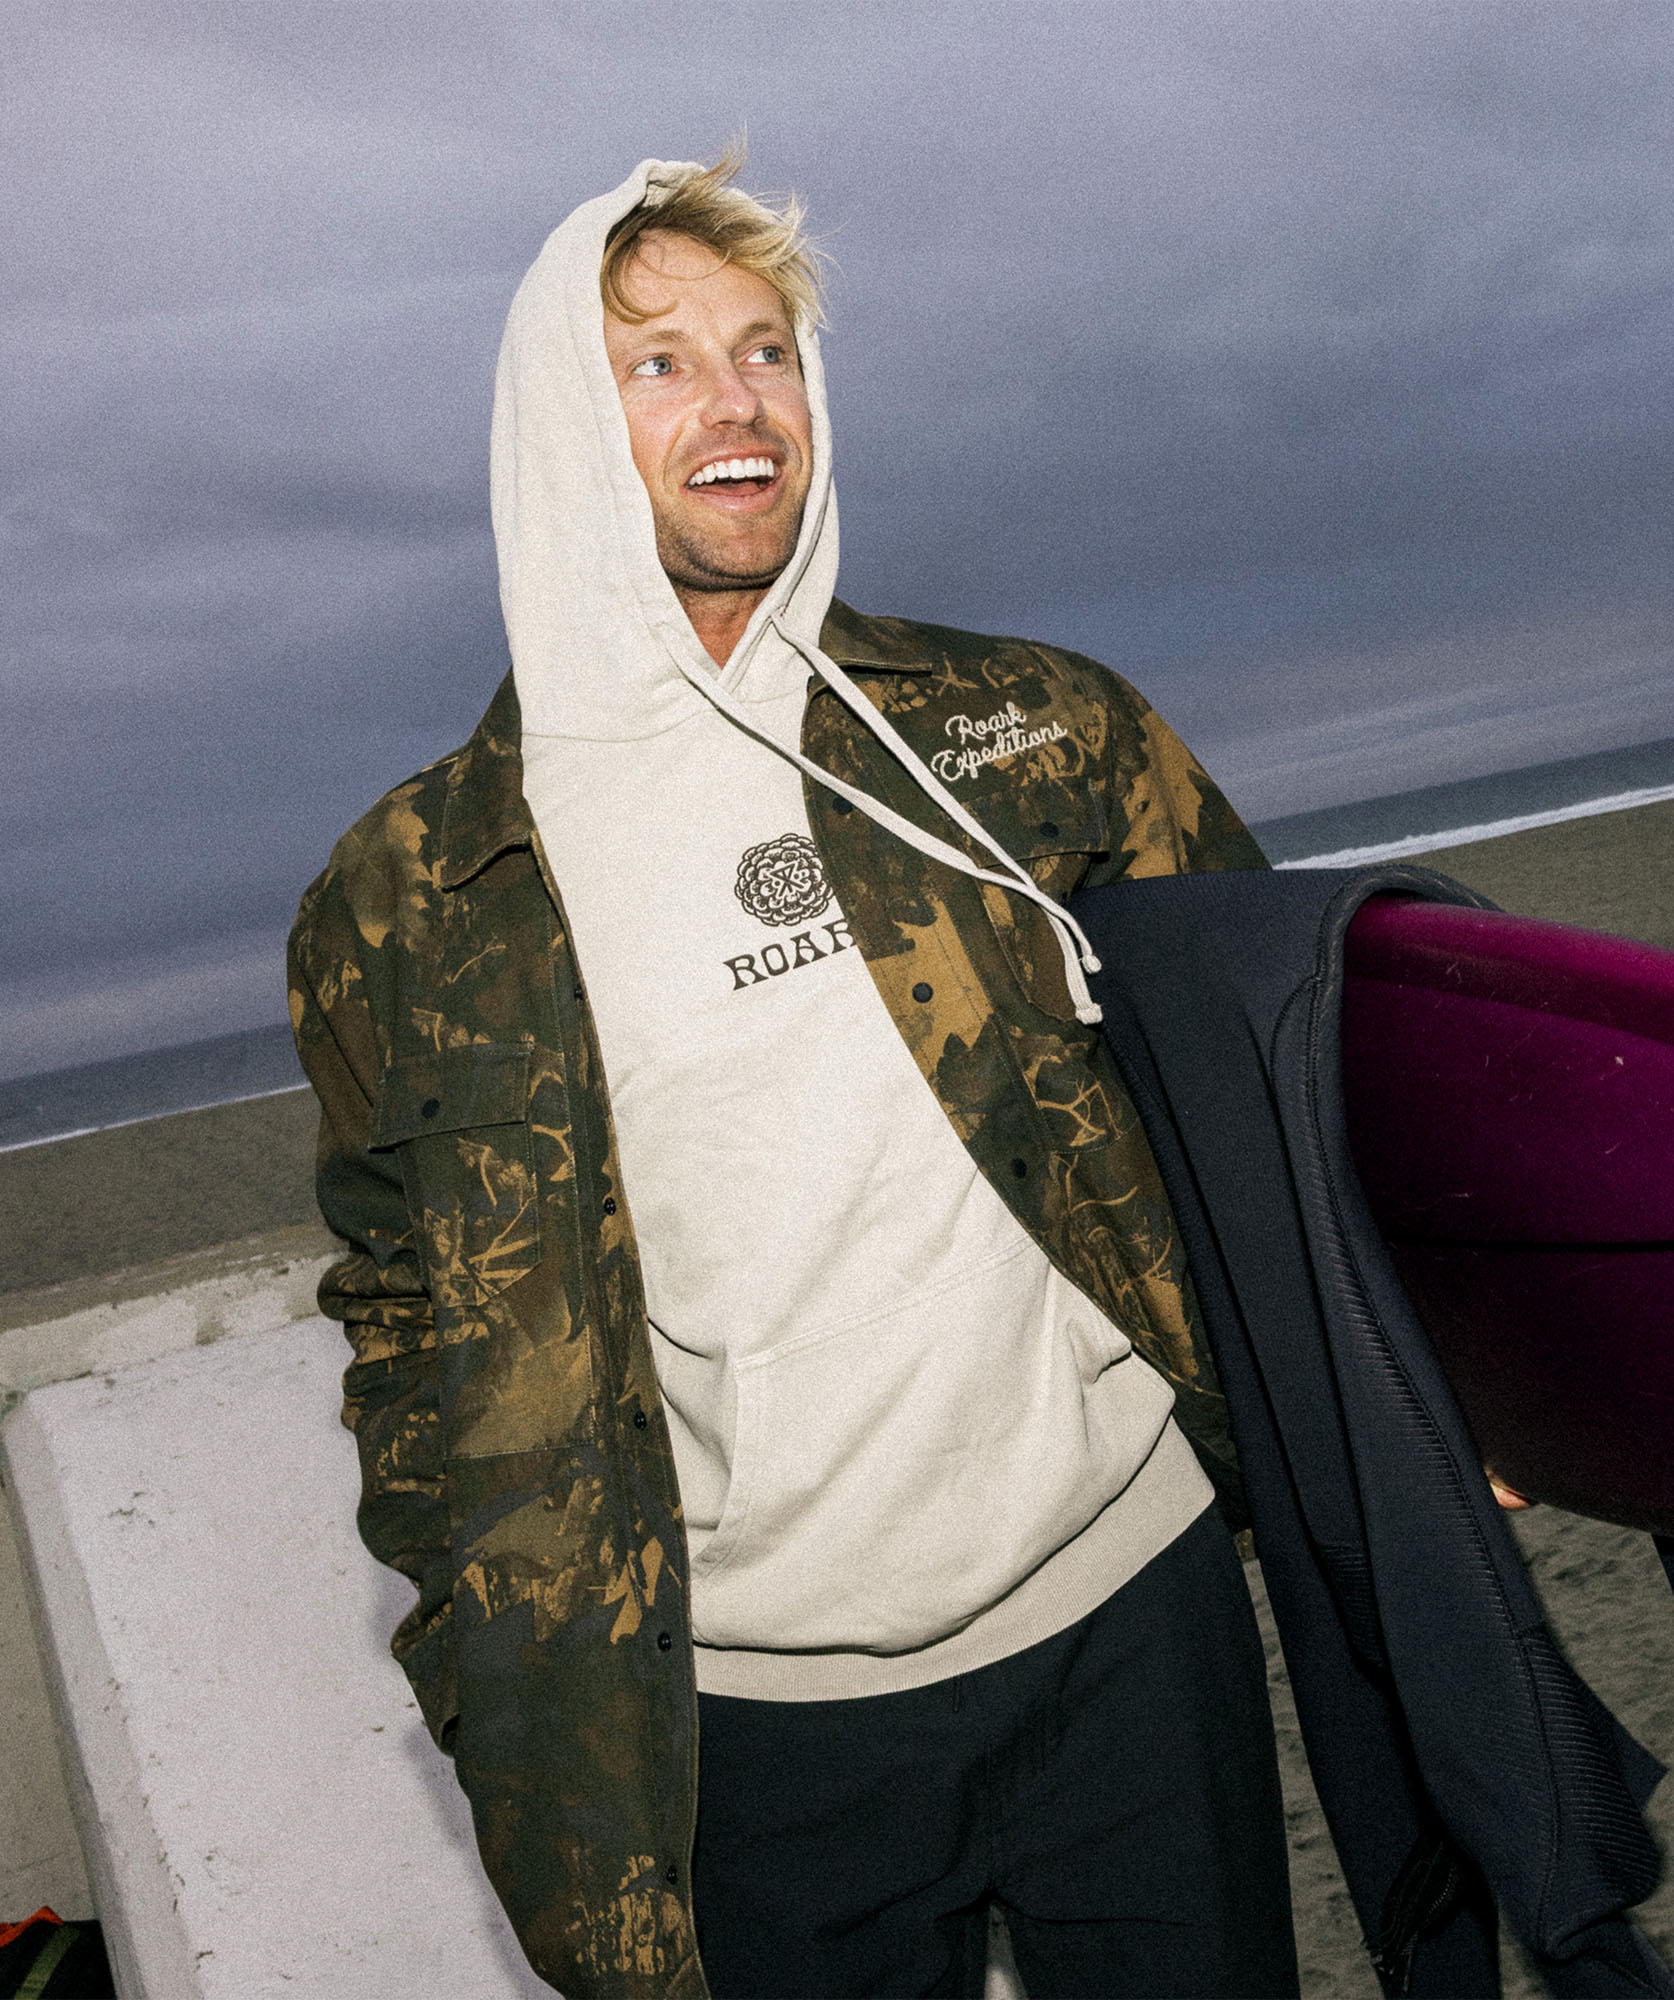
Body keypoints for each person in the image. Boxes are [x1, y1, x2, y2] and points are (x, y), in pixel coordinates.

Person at [289, 152, 1299, 1998]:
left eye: (768, 351)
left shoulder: (1030, 731)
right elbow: (402, 1319)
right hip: (752, 1730)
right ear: (557, 426)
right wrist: (490, 1678)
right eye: (658, 364)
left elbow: (1282, 1073)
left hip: (1134, 1615)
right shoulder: (413, 900)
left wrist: (1437, 1394)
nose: (737, 401)